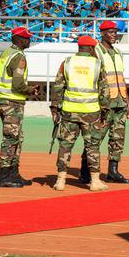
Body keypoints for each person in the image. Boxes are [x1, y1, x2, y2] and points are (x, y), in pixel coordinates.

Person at [50, 35, 109, 192]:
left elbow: (58, 87)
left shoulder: (67, 63)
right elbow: (104, 91)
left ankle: (60, 180)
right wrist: (105, 111)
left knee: (65, 145)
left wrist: (55, 108)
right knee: (93, 146)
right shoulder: (97, 64)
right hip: (91, 112)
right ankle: (95, 181)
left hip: (69, 111)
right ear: (90, 48)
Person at [83, 19, 129, 184]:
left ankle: (113, 171)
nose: (114, 35)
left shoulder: (118, 52)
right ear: (102, 33)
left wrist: (128, 101)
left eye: (115, 32)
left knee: (117, 138)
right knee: (96, 137)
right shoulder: (95, 51)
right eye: (111, 32)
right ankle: (86, 170)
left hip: (119, 101)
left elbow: (121, 78)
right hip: (104, 103)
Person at [0, 26, 40, 188]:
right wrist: (30, 90)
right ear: (19, 40)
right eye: (27, 38)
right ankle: (4, 175)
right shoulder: (19, 57)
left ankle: (13, 173)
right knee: (11, 138)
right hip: (11, 101)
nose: (29, 40)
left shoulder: (6, 53)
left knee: (17, 137)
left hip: (4, 99)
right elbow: (18, 84)